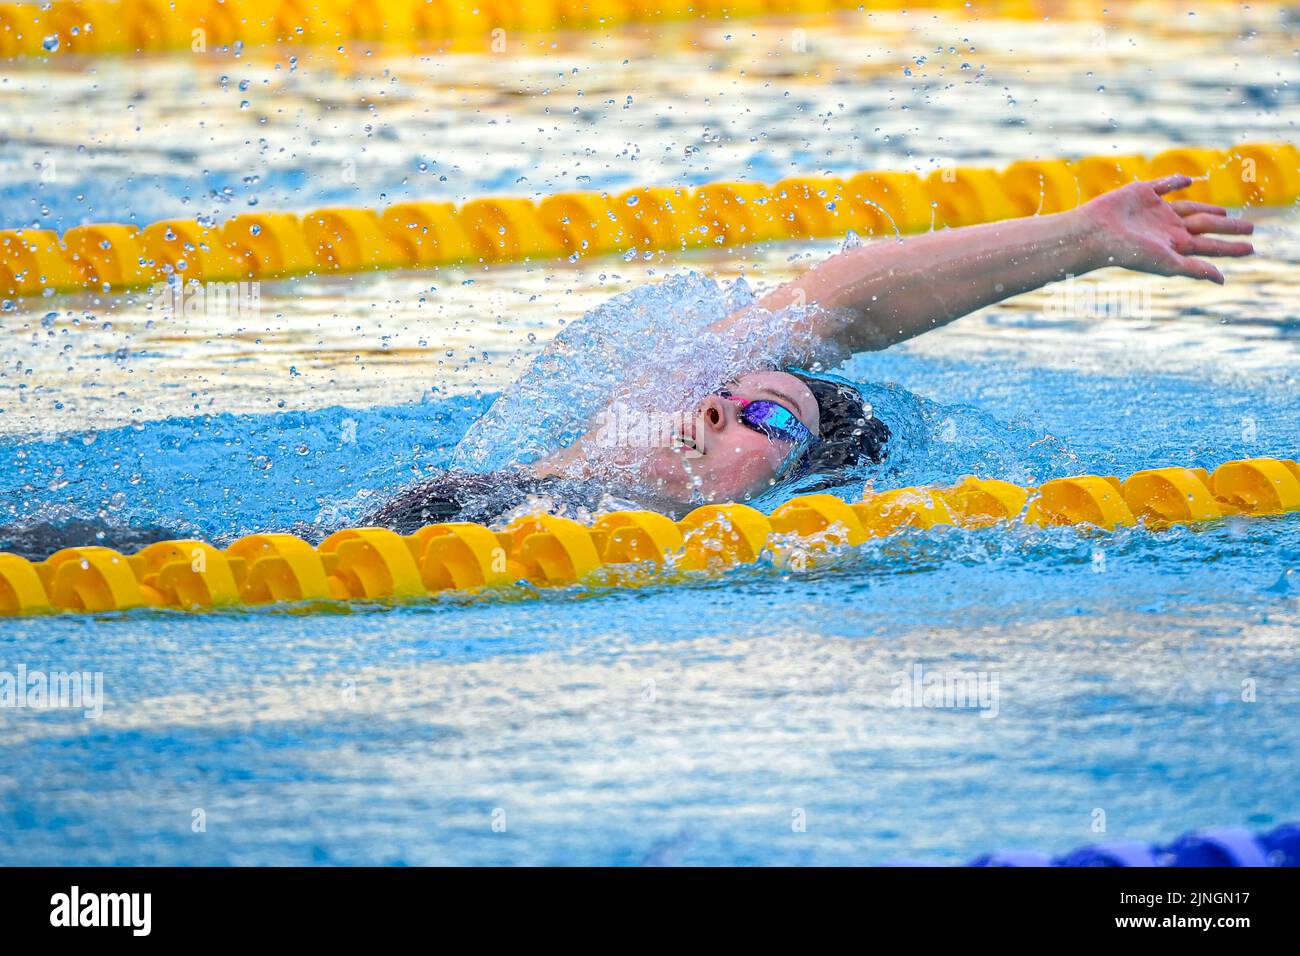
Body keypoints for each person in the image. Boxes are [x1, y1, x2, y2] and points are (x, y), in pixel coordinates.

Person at [366, 174, 1254, 532]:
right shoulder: (617, 423)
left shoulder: (728, 559)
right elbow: (833, 303)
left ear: (800, 490)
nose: (713, 408)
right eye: (725, 390)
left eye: (767, 418)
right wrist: (1077, 232)